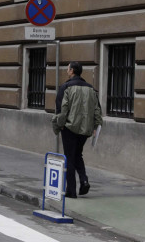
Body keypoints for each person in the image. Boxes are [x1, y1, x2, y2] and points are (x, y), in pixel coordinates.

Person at [52, 61, 103, 199]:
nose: (67, 71)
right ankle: (84, 180)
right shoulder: (91, 89)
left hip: (69, 128)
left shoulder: (66, 87)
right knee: (77, 155)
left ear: (72, 71)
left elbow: (61, 109)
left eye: (68, 69)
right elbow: (97, 110)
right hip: (86, 129)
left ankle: (71, 191)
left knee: (69, 157)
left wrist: (59, 125)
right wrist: (95, 127)